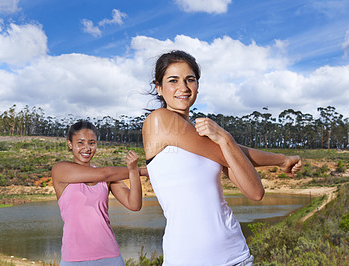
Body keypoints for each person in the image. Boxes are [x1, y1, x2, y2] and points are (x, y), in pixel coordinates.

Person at [142, 50, 302, 265]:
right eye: (173, 80)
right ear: (158, 88)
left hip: (236, 256)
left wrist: (226, 139)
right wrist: (280, 159)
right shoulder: (160, 120)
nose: (184, 87)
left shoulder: (208, 137)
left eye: (191, 79)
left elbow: (254, 192)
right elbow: (230, 152)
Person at [52, 121, 143, 266]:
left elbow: (134, 204)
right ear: (70, 144)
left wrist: (133, 171)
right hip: (74, 259)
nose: (86, 148)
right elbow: (104, 173)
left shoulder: (106, 178)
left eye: (91, 143)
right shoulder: (60, 170)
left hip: (110, 256)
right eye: (80, 143)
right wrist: (144, 171)